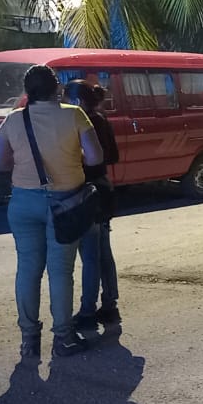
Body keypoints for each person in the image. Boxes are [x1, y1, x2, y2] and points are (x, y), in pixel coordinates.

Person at [0, 65, 104, 358]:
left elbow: (0, 164)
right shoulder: (74, 114)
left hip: (23, 202)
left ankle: (29, 339)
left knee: (28, 269)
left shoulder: (14, 119)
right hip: (66, 203)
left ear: (27, 91)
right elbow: (95, 157)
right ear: (57, 88)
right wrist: (72, 155)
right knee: (60, 272)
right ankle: (63, 338)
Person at [64, 81, 122, 331]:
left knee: (91, 256)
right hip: (103, 189)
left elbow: (87, 158)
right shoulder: (101, 118)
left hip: (87, 192)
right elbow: (113, 156)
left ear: (76, 101)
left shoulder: (83, 122)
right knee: (102, 253)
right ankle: (109, 304)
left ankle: (88, 310)